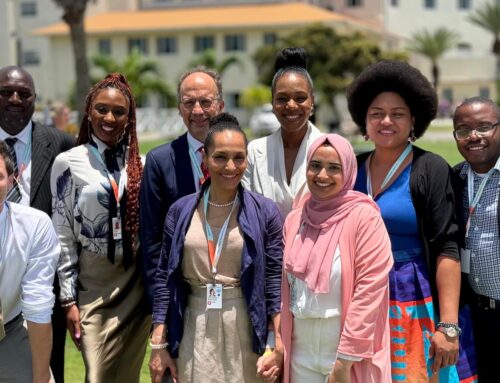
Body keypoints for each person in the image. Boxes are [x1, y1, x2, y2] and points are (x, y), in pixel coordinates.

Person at [348, 60, 477, 382]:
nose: (386, 121)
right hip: (360, 294)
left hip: (412, 296)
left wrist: (448, 325)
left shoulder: (429, 168)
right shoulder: (351, 167)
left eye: (398, 113)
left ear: (413, 120)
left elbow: (448, 246)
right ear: (364, 120)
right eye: (376, 113)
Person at [149, 113, 283, 383]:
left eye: (239, 157)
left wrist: (276, 342)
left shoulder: (264, 211)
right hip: (192, 322)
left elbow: (274, 280)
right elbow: (165, 278)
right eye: (220, 157)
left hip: (245, 322)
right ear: (205, 160)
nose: (230, 166)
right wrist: (158, 344)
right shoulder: (180, 211)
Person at [50, 73, 150, 382]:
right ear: (89, 111)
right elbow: (63, 235)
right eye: (102, 109)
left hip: (135, 285)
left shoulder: (140, 163)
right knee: (97, 374)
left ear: (129, 118)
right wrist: (68, 300)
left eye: (119, 112)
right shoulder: (68, 162)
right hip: (93, 287)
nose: (110, 117)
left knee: (127, 375)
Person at [280, 134, 392, 383]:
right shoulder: (295, 220)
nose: (322, 175)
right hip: (300, 351)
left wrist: (344, 360)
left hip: (346, 351)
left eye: (334, 168)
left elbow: (369, 290)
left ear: (349, 172)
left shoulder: (364, 217)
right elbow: (285, 290)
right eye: (315, 165)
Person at [0, 65, 74, 383]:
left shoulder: (62, 144)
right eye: (6, 92)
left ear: (34, 99)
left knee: (42, 367)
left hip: (42, 276)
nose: (15, 99)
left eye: (24, 93)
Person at [140, 66, 224, 304]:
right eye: (189, 103)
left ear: (221, 105)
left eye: (205, 101)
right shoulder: (161, 161)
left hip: (234, 288)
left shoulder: (242, 156)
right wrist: (160, 304)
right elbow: (151, 239)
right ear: (179, 109)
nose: (197, 110)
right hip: (180, 293)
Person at [0, 140, 60, 383]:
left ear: (13, 178)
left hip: (10, 330)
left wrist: (41, 377)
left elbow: (38, 305)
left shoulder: (35, 226)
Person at [242, 47, 323, 220]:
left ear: (312, 102)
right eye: (282, 98)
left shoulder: (332, 149)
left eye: (300, 98)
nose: (291, 105)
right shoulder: (254, 152)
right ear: (272, 103)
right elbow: (246, 212)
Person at [452, 97, 500, 383]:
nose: (473, 136)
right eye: (463, 130)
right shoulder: (454, 178)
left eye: (484, 127)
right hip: (474, 315)